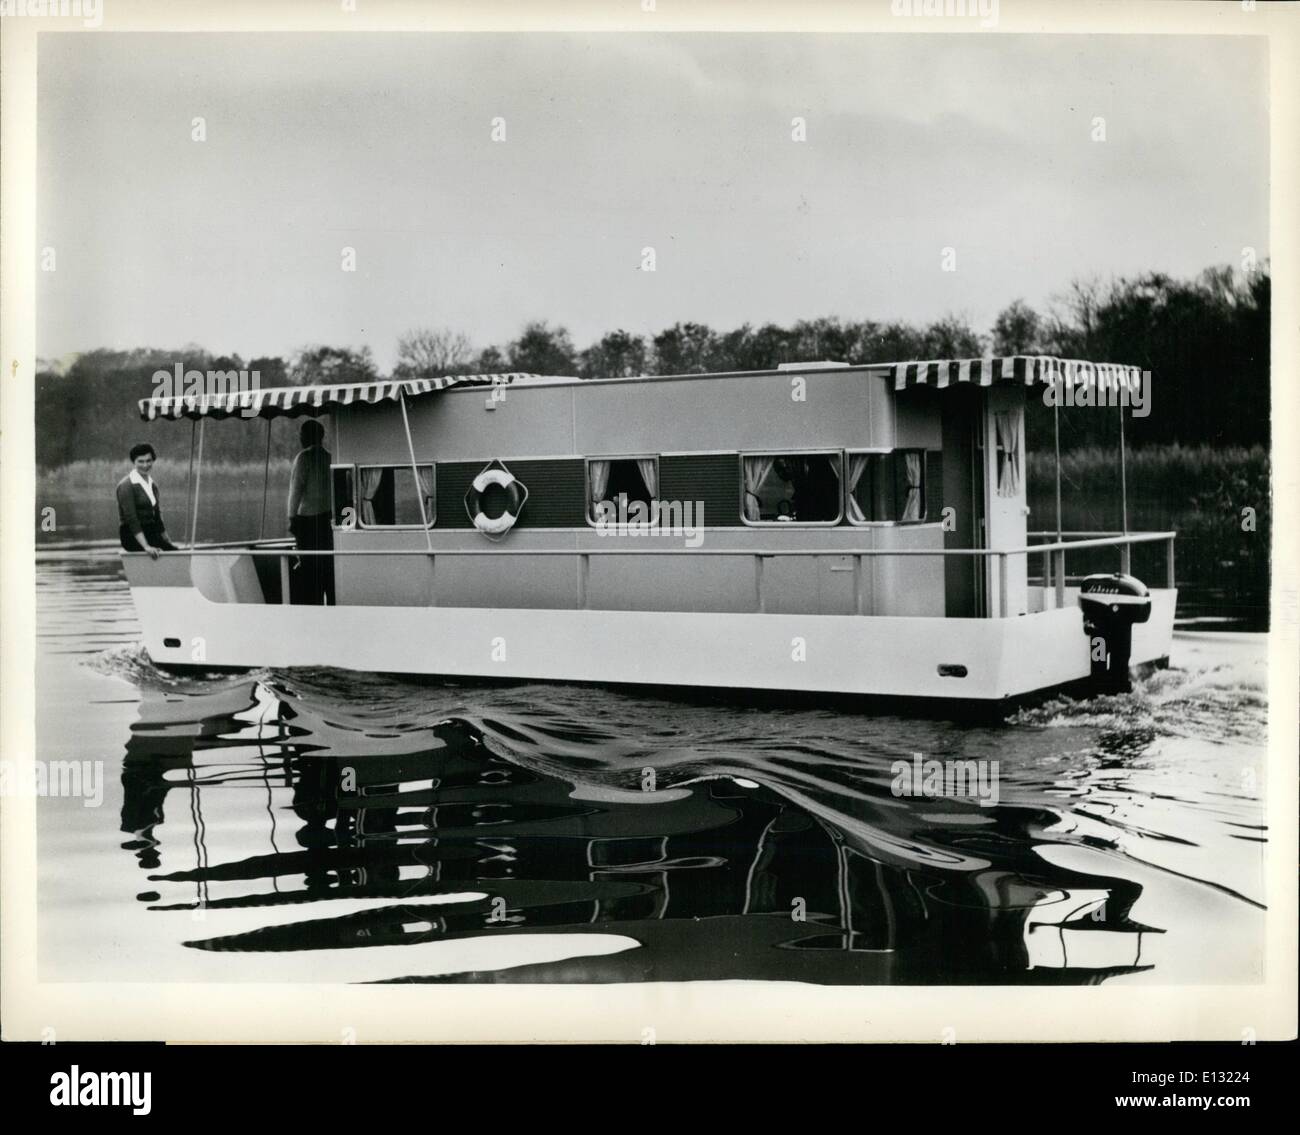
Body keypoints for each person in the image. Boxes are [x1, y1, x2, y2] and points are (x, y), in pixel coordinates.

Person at [287, 419, 334, 604]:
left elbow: (296, 490)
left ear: (307, 436)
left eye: (301, 433)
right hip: (327, 519)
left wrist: (291, 518)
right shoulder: (330, 457)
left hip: (307, 520)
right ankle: (330, 601)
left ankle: (311, 604)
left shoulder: (304, 457)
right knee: (327, 565)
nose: (299, 437)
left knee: (309, 567)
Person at [116, 443, 178, 558]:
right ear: (134, 462)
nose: (145, 465)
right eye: (141, 461)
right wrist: (146, 547)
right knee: (169, 552)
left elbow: (157, 517)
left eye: (148, 461)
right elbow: (131, 519)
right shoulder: (126, 485)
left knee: (174, 551)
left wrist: (168, 542)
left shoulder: (152, 485)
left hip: (151, 533)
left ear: (153, 461)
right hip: (131, 536)